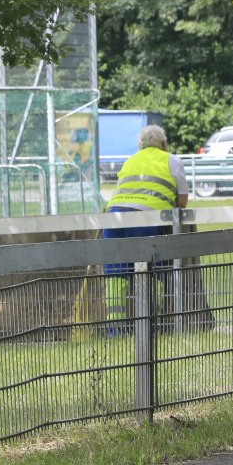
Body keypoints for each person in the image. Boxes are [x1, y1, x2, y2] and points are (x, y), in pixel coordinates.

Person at [102, 124, 188, 330]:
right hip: (147, 218)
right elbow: (182, 202)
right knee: (152, 273)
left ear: (140, 146)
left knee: (115, 275)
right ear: (163, 144)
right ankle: (149, 326)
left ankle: (115, 329)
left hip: (114, 218)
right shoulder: (172, 160)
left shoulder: (130, 160)